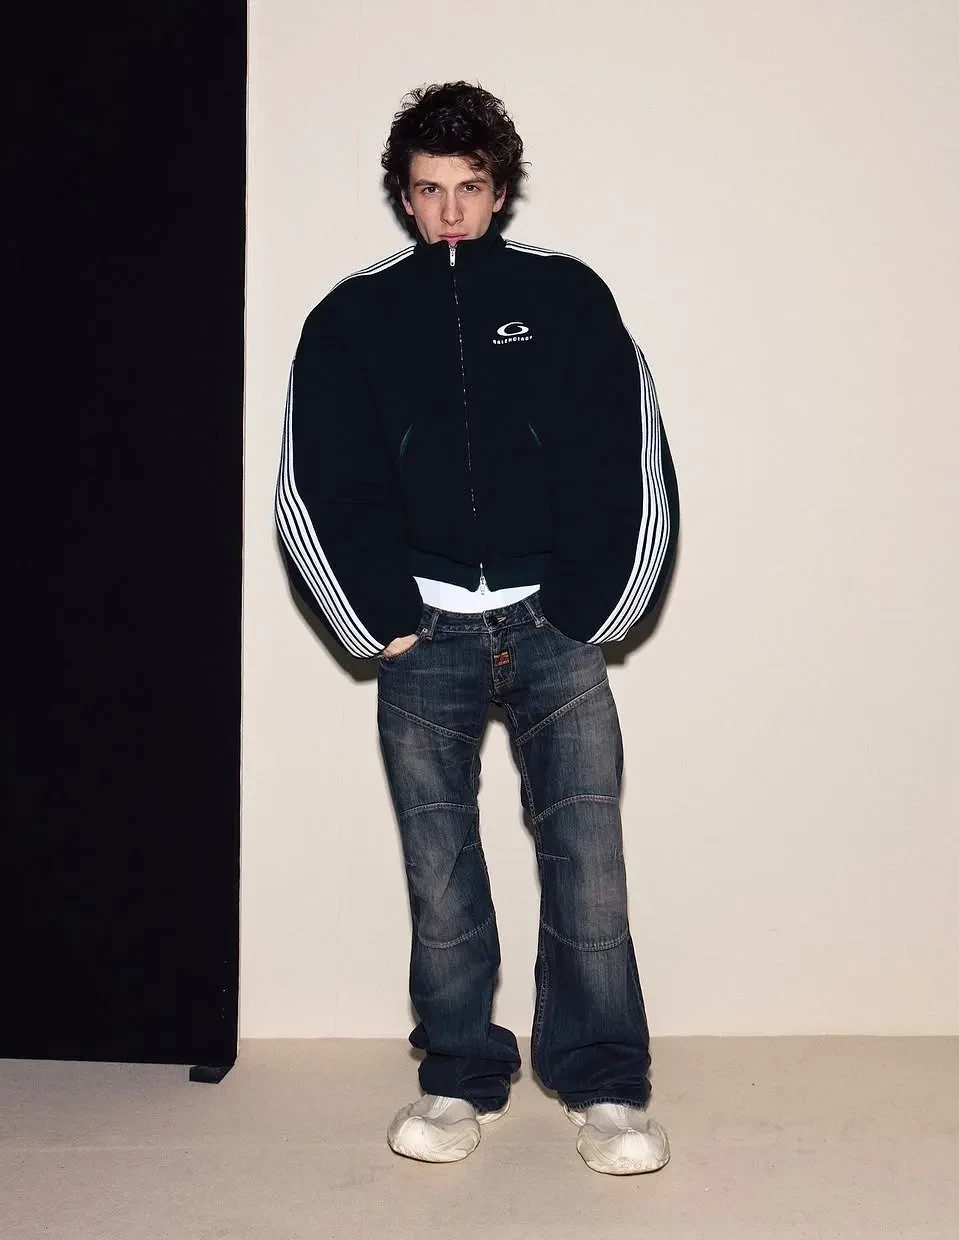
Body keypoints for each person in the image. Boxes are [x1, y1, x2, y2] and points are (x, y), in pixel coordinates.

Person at [275, 82, 679, 1175]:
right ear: (403, 197)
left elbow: (631, 452)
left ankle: (603, 1085)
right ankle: (458, 1077)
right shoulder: (352, 317)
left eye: (468, 187)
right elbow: (313, 482)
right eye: (427, 190)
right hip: (429, 639)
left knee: (588, 865)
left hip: (553, 633)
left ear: (499, 191)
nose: (449, 211)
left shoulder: (566, 295)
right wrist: (378, 622)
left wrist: (595, 615)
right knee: (440, 872)